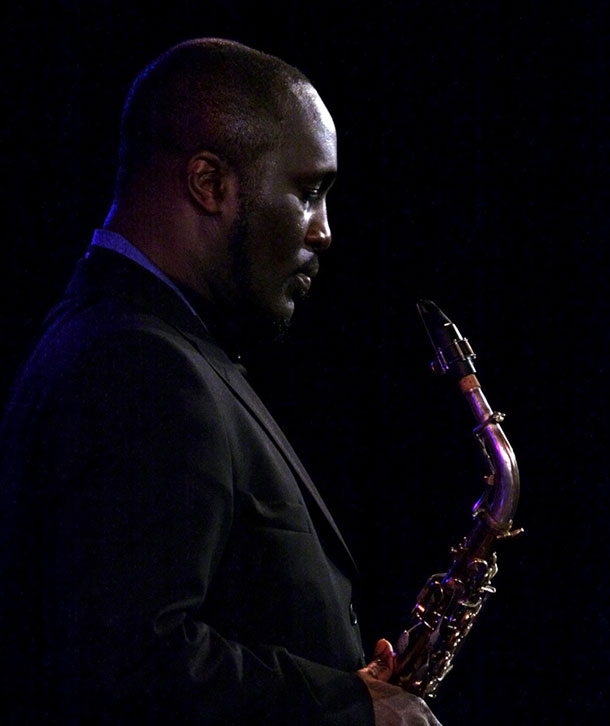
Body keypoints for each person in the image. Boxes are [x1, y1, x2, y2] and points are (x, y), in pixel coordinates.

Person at [0, 38, 442, 725]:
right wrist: (350, 706)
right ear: (209, 184)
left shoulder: (130, 337)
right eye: (309, 192)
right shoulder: (137, 367)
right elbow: (124, 664)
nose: (323, 232)